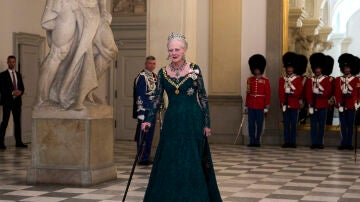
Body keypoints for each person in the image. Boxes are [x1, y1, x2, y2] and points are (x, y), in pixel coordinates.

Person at [140, 33, 222, 201]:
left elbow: (203, 97)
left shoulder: (194, 69)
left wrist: (207, 123)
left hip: (193, 121)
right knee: (171, 159)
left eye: (177, 49)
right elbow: (156, 98)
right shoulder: (163, 72)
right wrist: (148, 119)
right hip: (172, 122)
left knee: (191, 159)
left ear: (184, 50)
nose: (174, 52)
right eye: (171, 50)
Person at [36, 0, 118, 110]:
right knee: (58, 53)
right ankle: (42, 100)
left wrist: (103, 9)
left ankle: (83, 91)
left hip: (93, 9)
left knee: (110, 51)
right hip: (69, 5)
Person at [133, 56, 157, 166]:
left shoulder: (155, 76)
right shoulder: (141, 77)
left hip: (152, 110)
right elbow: (140, 95)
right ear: (146, 64)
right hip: (144, 110)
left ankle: (146, 156)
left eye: (154, 63)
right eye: (150, 63)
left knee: (150, 135)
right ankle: (141, 157)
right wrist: (141, 112)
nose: (152, 65)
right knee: (143, 135)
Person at [305, 53, 332, 149]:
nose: (317, 70)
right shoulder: (310, 80)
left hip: (323, 105)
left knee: (321, 125)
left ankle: (320, 142)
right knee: (313, 125)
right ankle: (313, 142)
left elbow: (328, 93)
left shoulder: (326, 80)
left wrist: (320, 93)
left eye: (319, 68)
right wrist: (310, 105)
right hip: (313, 105)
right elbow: (308, 93)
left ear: (321, 69)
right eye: (316, 68)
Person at [0, 56, 27, 150]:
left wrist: (21, 92)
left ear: (15, 62)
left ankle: (18, 142)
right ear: (7, 62)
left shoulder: (18, 74)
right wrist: (12, 92)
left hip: (17, 102)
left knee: (17, 122)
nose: (12, 63)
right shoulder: (2, 75)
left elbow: (22, 88)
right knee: (5, 122)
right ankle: (0, 143)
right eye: (10, 62)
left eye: (14, 62)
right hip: (7, 102)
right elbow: (2, 89)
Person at [334, 53, 360, 150]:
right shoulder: (338, 80)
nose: (346, 69)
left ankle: (349, 143)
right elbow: (337, 93)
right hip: (342, 105)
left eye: (348, 68)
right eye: (345, 68)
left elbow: (357, 93)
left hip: (351, 105)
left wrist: (355, 101)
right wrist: (339, 103)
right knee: (343, 125)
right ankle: (344, 142)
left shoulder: (356, 80)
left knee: (350, 125)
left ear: (351, 68)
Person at [245, 54, 270, 147]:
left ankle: (257, 140)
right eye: (255, 68)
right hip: (251, 104)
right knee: (251, 124)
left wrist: (266, 106)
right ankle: (252, 140)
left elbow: (267, 94)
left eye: (257, 68)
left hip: (260, 105)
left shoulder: (265, 80)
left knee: (259, 124)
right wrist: (246, 105)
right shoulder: (250, 80)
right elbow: (248, 93)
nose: (256, 70)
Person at [279, 52, 303, 148]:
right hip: (285, 104)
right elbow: (280, 92)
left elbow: (299, 92)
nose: (289, 69)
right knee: (286, 124)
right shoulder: (282, 79)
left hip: (294, 104)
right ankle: (287, 141)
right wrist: (282, 102)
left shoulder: (297, 79)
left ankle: (292, 141)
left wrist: (291, 92)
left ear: (293, 68)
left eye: (291, 68)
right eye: (288, 68)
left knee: (293, 124)